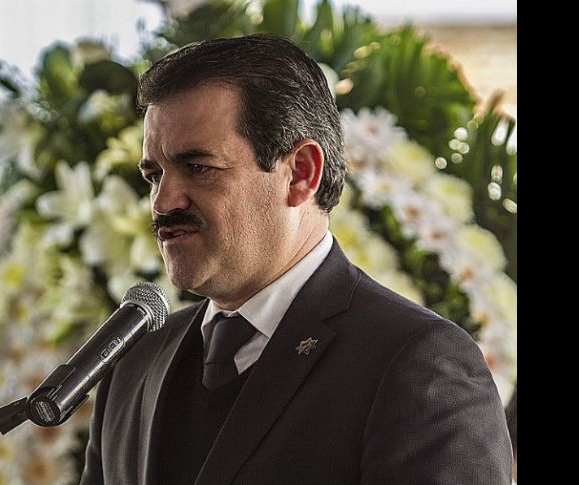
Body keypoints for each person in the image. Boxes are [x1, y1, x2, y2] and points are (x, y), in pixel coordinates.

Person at [80, 34, 513, 485]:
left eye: (199, 168)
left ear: (301, 174)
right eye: (154, 175)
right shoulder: (134, 362)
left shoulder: (419, 365)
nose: (162, 201)